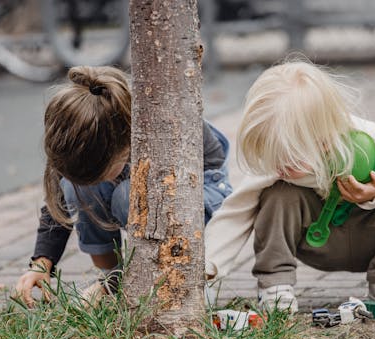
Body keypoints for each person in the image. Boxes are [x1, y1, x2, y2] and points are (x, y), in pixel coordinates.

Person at [204, 61, 375, 314]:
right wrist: (208, 266)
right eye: (273, 154)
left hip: (371, 235)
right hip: (315, 243)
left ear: (324, 141)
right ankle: (275, 286)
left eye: (290, 158)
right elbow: (235, 213)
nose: (279, 165)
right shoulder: (278, 167)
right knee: (278, 194)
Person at [15, 66, 232, 307]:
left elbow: (206, 179)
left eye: (99, 175)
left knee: (127, 195)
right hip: (141, 188)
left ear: (124, 147)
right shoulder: (78, 136)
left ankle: (184, 282)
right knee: (77, 188)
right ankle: (113, 278)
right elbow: (58, 206)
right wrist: (40, 265)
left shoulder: (161, 122)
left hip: (201, 191)